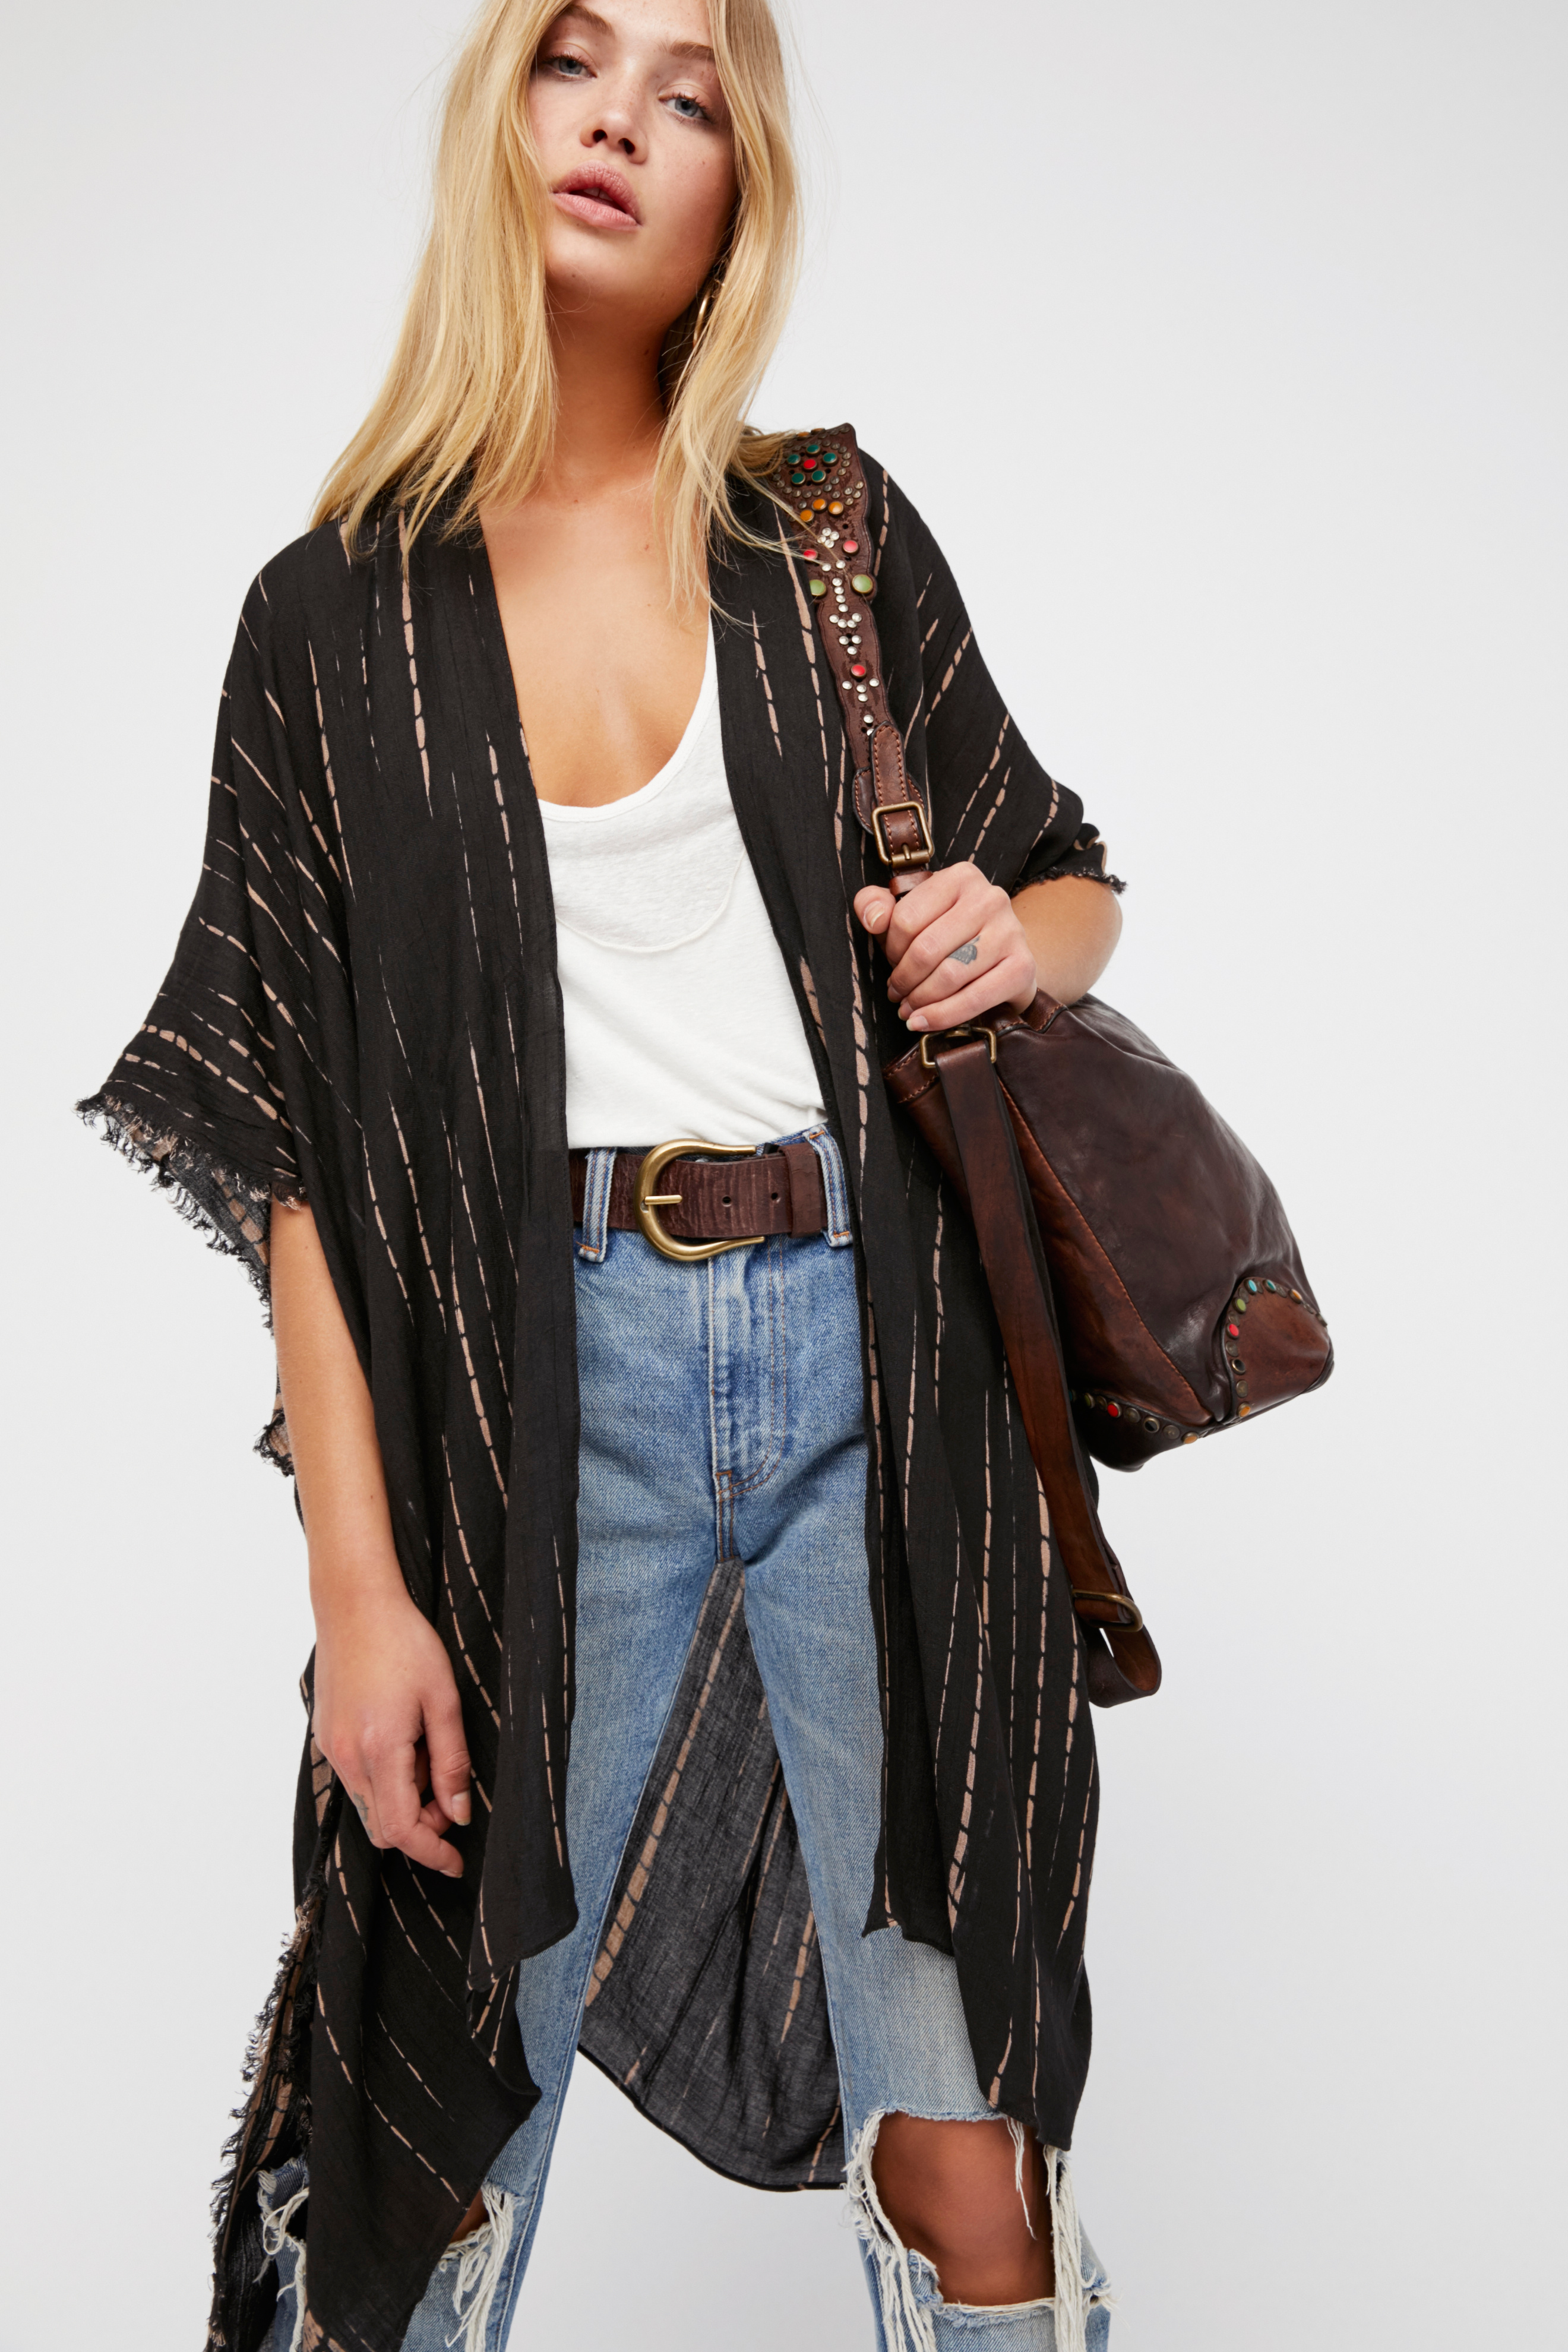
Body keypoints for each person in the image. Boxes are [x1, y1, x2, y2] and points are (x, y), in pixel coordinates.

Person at [80, 2, 1127, 2345]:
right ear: (504, 109)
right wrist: (358, 1590)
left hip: (884, 1369)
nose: (624, 125)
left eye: (691, 97)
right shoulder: (331, 620)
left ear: (737, 192)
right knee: (428, 2145)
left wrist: (1006, 932)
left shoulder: (824, 541)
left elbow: (1065, 883)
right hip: (537, 1403)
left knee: (965, 2139)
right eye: (579, 60)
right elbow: (295, 1152)